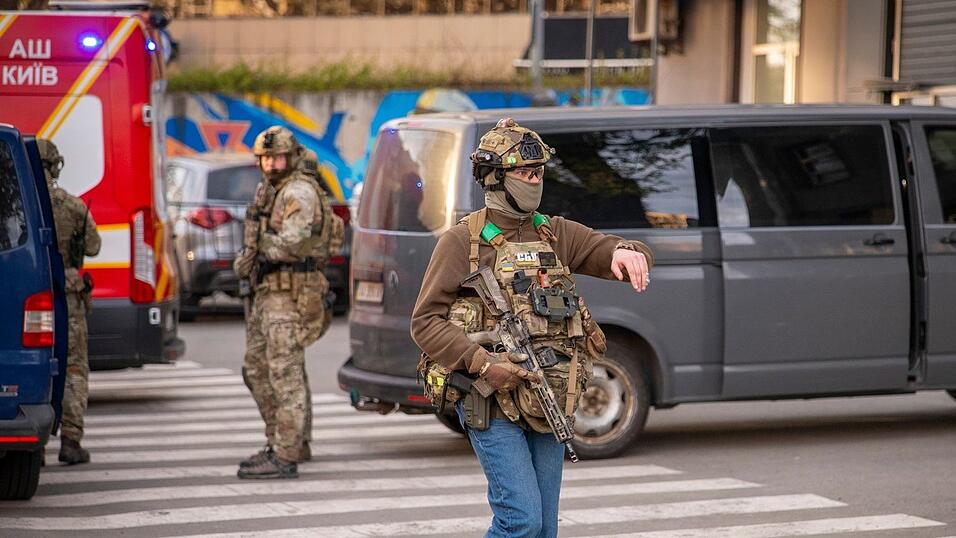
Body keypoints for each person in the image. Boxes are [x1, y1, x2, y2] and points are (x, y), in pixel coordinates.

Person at [410, 118, 653, 537]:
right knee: (520, 521)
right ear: (495, 178)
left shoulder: (553, 232)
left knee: (545, 528)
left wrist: (627, 253)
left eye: (539, 173)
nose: (535, 181)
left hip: (548, 395)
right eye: (526, 173)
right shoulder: (461, 242)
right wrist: (483, 364)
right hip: (489, 399)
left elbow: (605, 247)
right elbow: (425, 322)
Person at [232, 127, 342, 479]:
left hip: (291, 291)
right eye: (266, 158)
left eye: (278, 157)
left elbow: (293, 243)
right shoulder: (273, 189)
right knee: (257, 368)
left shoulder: (297, 191)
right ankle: (287, 440)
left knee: (284, 372)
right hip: (271, 292)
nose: (272, 164)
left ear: (292, 157)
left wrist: (258, 248)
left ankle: (286, 452)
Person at [38, 139, 102, 465]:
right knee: (74, 369)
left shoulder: (20, 201)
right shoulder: (73, 206)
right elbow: (93, 247)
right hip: (69, 296)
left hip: (31, 293)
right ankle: (71, 441)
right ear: (55, 166)